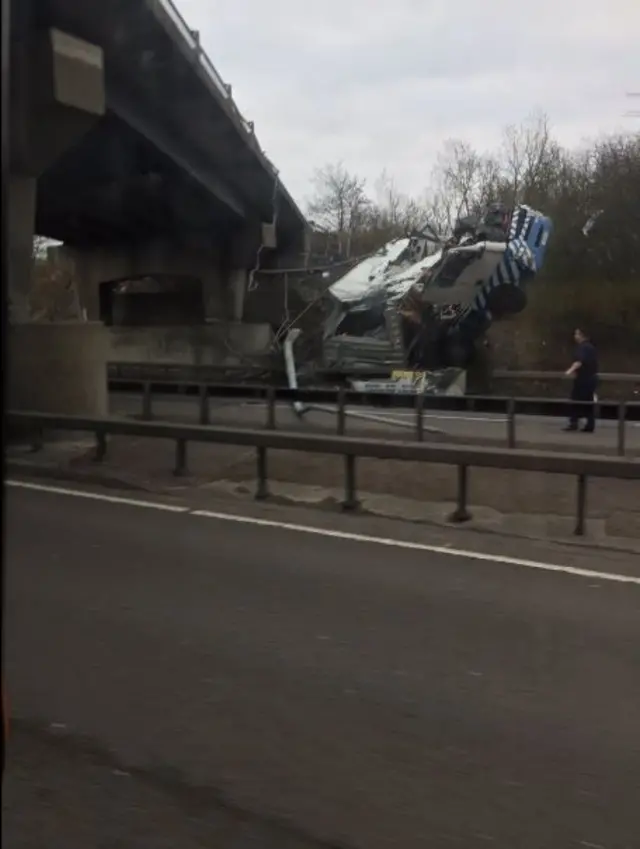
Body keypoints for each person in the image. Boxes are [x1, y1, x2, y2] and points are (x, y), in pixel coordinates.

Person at [564, 328, 599, 432]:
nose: (575, 336)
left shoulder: (582, 348)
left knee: (575, 400)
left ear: (582, 335)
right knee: (588, 402)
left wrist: (569, 371)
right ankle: (590, 425)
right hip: (592, 378)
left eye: (576, 334)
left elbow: (579, 362)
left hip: (583, 378)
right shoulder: (591, 347)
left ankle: (574, 423)